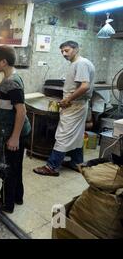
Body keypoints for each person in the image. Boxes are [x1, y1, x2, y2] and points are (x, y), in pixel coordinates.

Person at [0, 46, 31, 213]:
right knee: (16, 166)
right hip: (16, 131)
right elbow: (11, 97)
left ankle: (6, 204)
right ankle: (17, 197)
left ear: (4, 62)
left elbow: (21, 111)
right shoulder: (12, 77)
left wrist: (14, 137)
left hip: (13, 133)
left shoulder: (11, 81)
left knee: (7, 168)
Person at [34, 41, 95, 176]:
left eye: (67, 50)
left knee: (63, 135)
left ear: (76, 49)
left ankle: (52, 167)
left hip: (74, 105)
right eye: (62, 51)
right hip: (79, 104)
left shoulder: (81, 63)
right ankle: (76, 163)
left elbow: (84, 86)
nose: (64, 54)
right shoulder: (79, 63)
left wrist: (68, 99)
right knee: (77, 135)